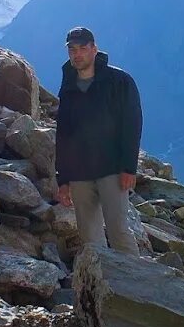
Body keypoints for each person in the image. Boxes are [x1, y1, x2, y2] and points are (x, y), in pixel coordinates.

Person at [55, 26, 143, 254]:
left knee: (119, 230)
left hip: (112, 169)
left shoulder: (119, 81)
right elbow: (63, 134)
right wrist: (62, 179)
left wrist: (128, 167)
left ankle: (137, 284)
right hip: (79, 174)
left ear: (94, 49)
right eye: (72, 49)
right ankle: (101, 285)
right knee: (89, 237)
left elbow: (132, 125)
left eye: (83, 48)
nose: (77, 54)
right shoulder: (68, 86)